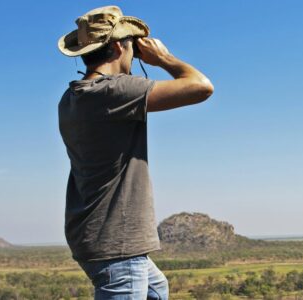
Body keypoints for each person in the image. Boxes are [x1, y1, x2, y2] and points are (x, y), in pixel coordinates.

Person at [57, 6, 213, 299]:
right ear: (118, 46)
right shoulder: (113, 91)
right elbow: (201, 87)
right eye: (132, 47)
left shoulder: (72, 97)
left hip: (92, 234)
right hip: (117, 242)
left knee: (157, 288)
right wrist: (163, 59)